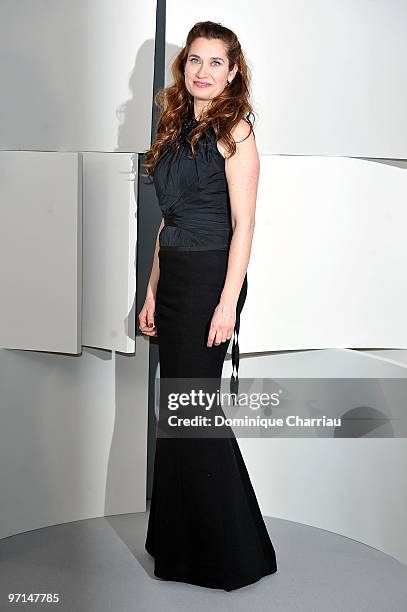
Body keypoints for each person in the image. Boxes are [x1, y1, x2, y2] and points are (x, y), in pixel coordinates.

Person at [138, 21, 277, 591]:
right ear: (184, 68)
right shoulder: (172, 132)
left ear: (233, 71)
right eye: (194, 60)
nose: (202, 71)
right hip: (173, 280)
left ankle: (232, 552)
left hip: (210, 282)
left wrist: (227, 304)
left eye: (215, 62)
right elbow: (166, 225)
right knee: (178, 414)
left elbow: (245, 227)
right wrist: (150, 291)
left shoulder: (235, 131)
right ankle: (178, 544)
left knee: (195, 413)